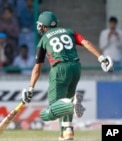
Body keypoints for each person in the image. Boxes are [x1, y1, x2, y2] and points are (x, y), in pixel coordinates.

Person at [21, 11, 113, 140]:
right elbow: (86, 43)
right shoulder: (69, 31)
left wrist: (30, 88)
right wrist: (102, 58)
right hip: (76, 67)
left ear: (43, 26)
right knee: (63, 103)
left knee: (50, 111)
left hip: (59, 68)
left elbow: (37, 68)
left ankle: (72, 103)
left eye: (40, 25)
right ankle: (67, 131)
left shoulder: (43, 40)